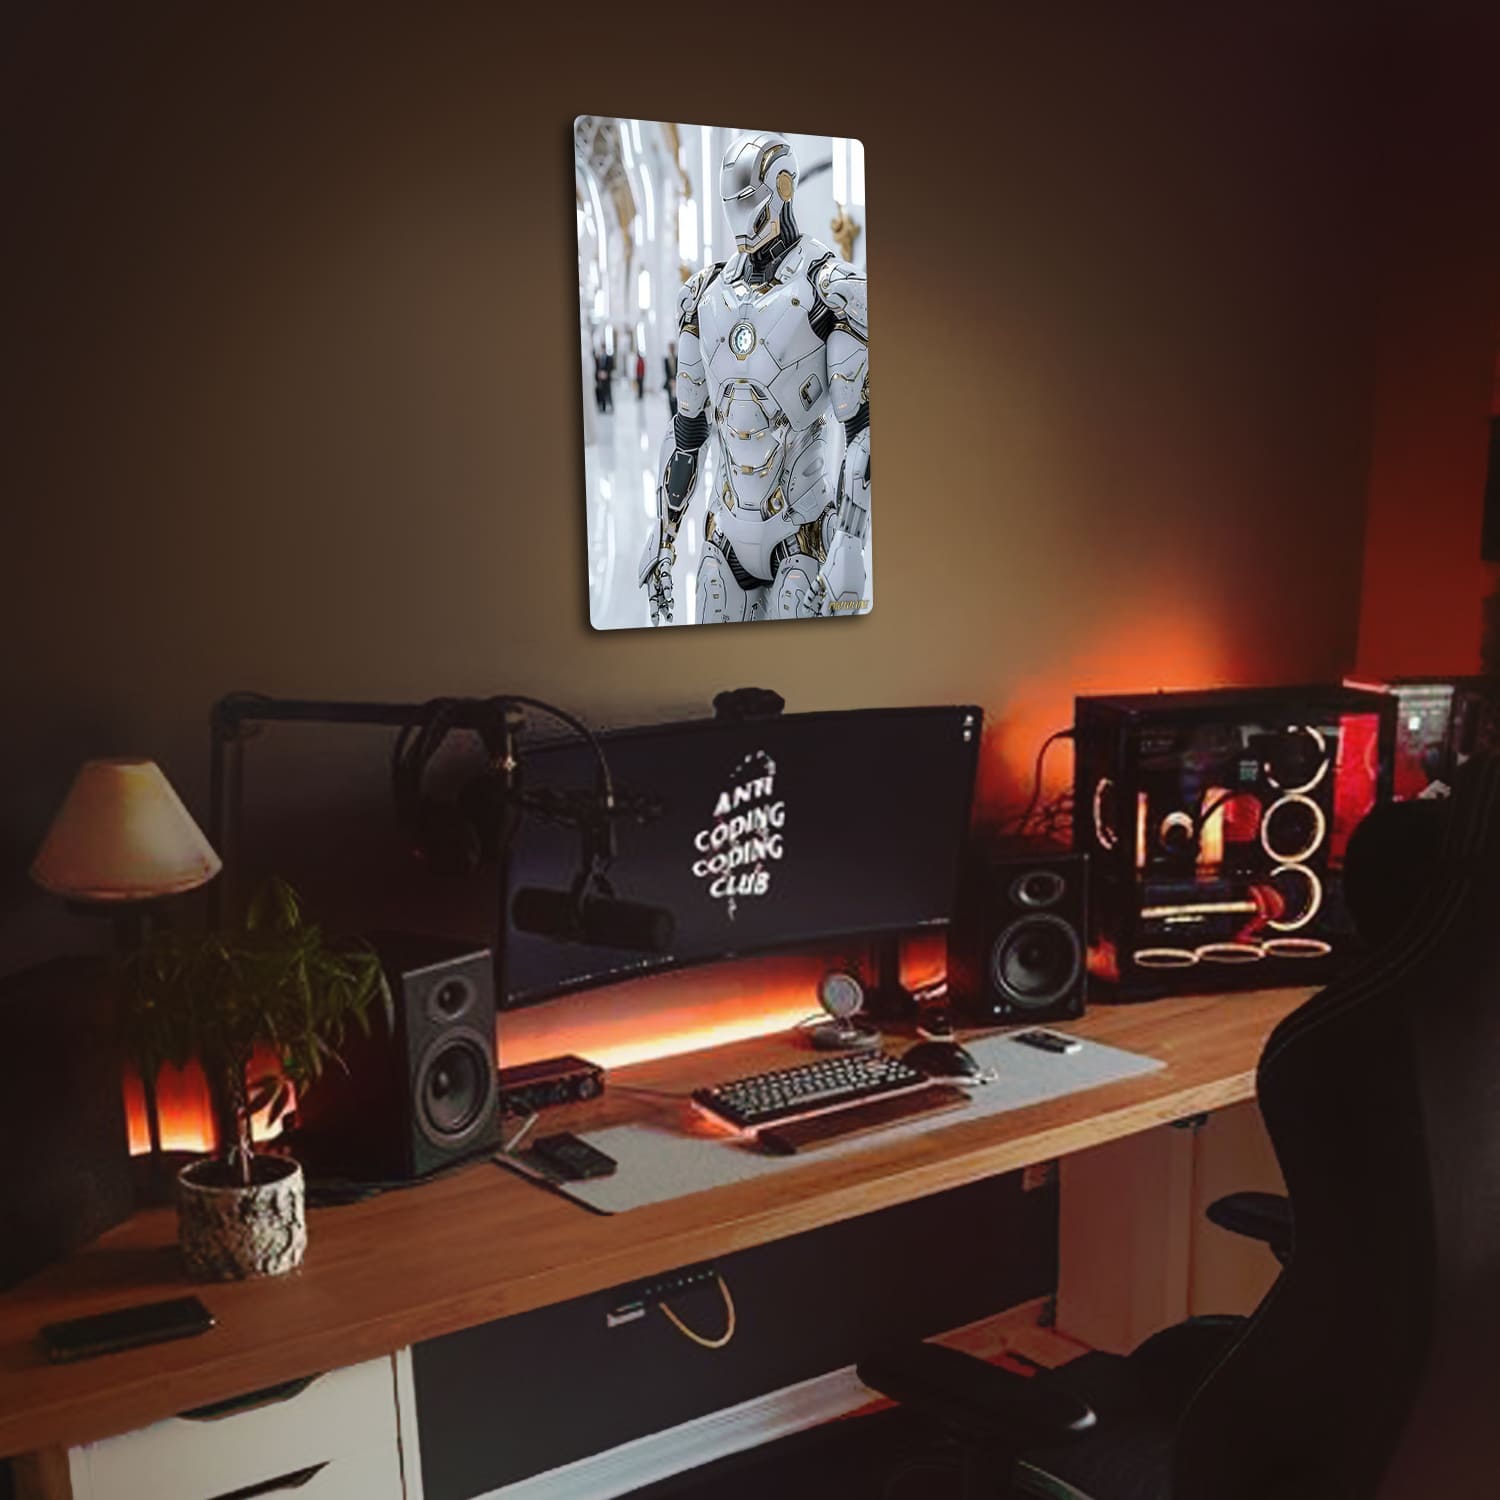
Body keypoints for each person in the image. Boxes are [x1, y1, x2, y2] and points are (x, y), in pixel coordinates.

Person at [638, 131, 870, 625]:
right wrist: (663, 534)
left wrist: (850, 544)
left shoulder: (830, 288)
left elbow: (862, 432)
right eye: (732, 203)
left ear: (783, 188)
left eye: (748, 200)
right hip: (723, 535)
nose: (740, 217)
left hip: (803, 532)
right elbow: (688, 432)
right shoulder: (703, 295)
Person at [664, 342, 678, 418]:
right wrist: (670, 380)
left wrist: (676, 380)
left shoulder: (677, 358)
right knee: (670, 400)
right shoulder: (666, 359)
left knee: (676, 399)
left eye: (673, 348)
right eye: (670, 348)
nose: (672, 349)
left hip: (676, 382)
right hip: (670, 382)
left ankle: (676, 415)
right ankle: (672, 415)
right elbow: (666, 371)